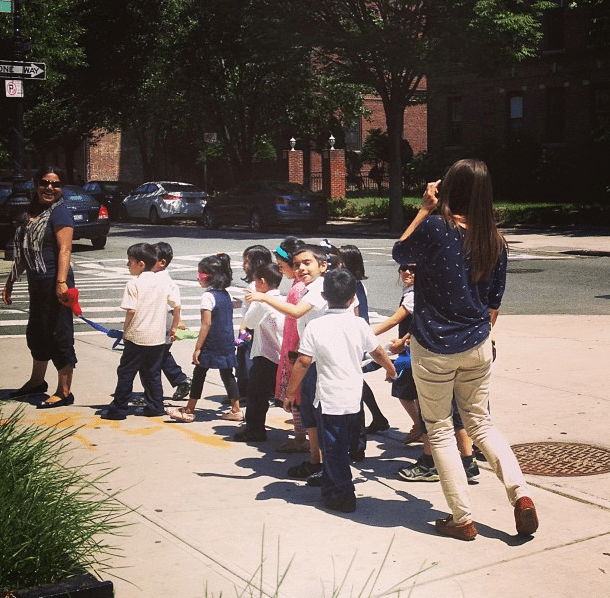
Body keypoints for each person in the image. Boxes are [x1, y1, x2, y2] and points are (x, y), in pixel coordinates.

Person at [392, 158, 538, 540]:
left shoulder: (437, 227)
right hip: (477, 343)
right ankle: (520, 493)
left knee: (439, 429)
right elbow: (493, 303)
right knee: (482, 423)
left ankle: (462, 518)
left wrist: (424, 208)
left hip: (433, 346)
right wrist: (479, 339)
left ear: (448, 189)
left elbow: (399, 252)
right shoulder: (496, 240)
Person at [285, 269, 397, 513]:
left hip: (329, 399)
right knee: (342, 444)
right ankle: (330, 483)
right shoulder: (359, 324)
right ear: (353, 299)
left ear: (324, 296)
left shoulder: (315, 326)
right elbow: (377, 352)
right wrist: (390, 370)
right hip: (353, 397)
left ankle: (344, 494)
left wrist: (289, 392)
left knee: (333, 448)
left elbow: (303, 362)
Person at [246, 244, 328, 479]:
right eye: (296, 265)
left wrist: (262, 296)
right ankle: (316, 462)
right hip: (309, 356)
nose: (300, 268)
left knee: (320, 415)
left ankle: (326, 467)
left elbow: (295, 312)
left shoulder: (318, 289)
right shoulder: (307, 287)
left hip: (318, 360)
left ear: (322, 266)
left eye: (307, 263)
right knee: (311, 414)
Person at [2, 167, 77, 408]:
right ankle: (37, 382)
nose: (50, 188)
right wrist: (11, 281)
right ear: (36, 184)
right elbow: (25, 252)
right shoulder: (31, 213)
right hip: (38, 283)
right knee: (37, 333)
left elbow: (65, 249)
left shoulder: (60, 212)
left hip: (57, 280)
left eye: (55, 184)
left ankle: (64, 391)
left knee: (59, 334)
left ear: (61, 188)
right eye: (45, 183)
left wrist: (61, 282)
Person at [102, 243, 181, 420]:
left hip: (136, 336)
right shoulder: (163, 283)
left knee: (126, 373)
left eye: (130, 261)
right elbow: (176, 305)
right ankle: (155, 405)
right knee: (152, 373)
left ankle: (118, 408)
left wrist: (125, 330)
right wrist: (174, 326)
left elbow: (131, 311)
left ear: (141, 264)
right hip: (157, 338)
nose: (127, 265)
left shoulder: (133, 284)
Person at [166, 255, 241, 423]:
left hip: (211, 342)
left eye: (200, 275)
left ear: (210, 277)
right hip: (227, 340)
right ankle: (236, 409)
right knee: (227, 374)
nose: (198, 279)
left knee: (199, 373)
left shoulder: (208, 297)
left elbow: (206, 324)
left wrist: (198, 348)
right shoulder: (225, 294)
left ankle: (189, 409)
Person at [340, 244, 388, 448]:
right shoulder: (356, 283)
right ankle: (378, 417)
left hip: (353, 338)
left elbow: (357, 313)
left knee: (354, 380)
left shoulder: (350, 285)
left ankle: (369, 423)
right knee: (357, 379)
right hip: (357, 336)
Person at [234, 263, 284, 442]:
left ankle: (255, 430)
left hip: (266, 354)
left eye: (255, 282)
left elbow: (250, 322)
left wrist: (252, 302)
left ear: (262, 282)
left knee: (257, 396)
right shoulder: (281, 299)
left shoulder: (263, 301)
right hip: (279, 352)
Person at [371, 264, 420, 440]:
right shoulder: (411, 291)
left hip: (413, 352)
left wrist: (367, 333)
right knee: (412, 391)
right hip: (409, 348)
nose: (407, 272)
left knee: (404, 388)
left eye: (413, 269)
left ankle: (420, 426)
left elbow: (394, 320)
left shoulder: (414, 294)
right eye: (404, 268)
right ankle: (420, 425)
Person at [270, 237, 309, 454]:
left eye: (281, 264)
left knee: (296, 396)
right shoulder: (301, 285)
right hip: (294, 344)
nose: (279, 268)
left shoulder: (298, 289)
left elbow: (295, 316)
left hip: (296, 347)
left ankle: (300, 437)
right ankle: (300, 435)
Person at [138, 242, 191, 403]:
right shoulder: (153, 277)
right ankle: (180, 381)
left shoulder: (162, 280)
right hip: (159, 326)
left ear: (162, 262)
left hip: (161, 327)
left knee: (150, 362)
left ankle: (151, 396)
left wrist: (177, 324)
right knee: (160, 357)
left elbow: (175, 306)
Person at [235, 245, 273, 399]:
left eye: (246, 262)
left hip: (249, 329)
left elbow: (251, 311)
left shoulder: (255, 286)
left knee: (245, 357)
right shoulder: (258, 283)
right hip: (250, 327)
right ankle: (244, 389)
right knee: (243, 354)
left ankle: (245, 390)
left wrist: (242, 330)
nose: (243, 266)